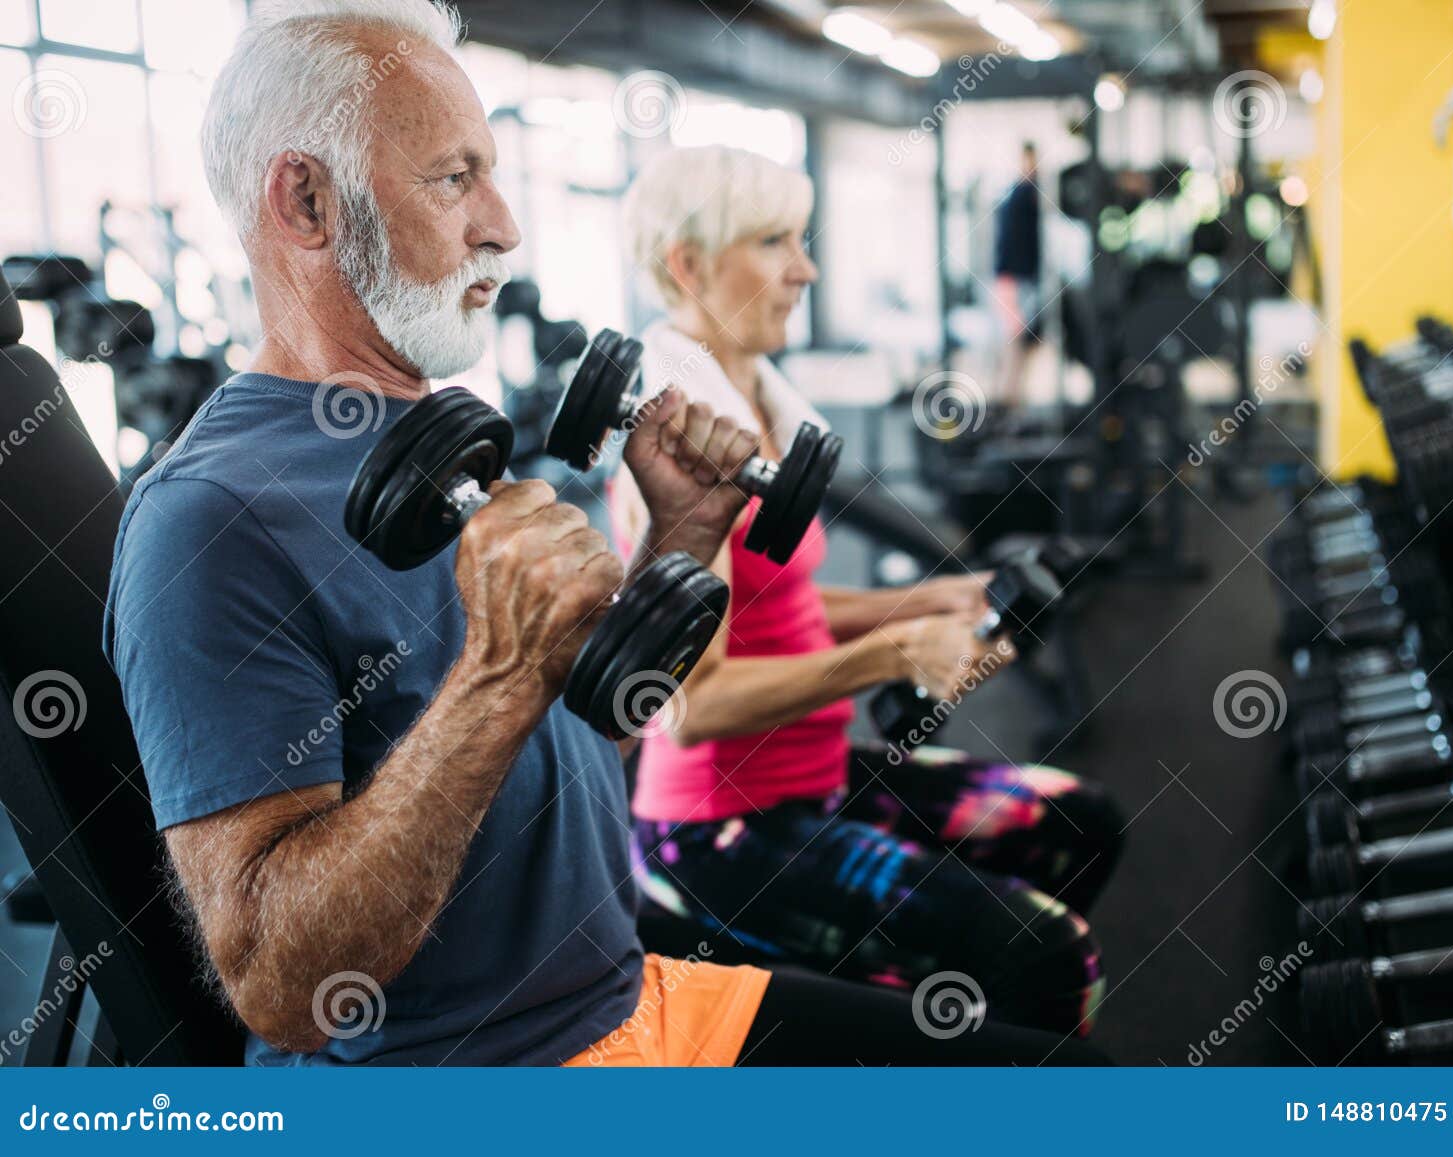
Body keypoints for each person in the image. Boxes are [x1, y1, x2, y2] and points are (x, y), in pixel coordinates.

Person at [105, 0, 1104, 1066]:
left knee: (1063, 1067)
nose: (502, 222)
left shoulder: (431, 440)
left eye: (489, 173)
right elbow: (281, 981)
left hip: (626, 995)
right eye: (453, 178)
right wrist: (497, 674)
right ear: (305, 198)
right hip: (493, 1073)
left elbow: (576, 749)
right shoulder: (207, 520)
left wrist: (679, 540)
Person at [612, 145, 1124, 1037]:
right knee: (1051, 957)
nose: (806, 269)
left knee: (1079, 822)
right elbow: (691, 703)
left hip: (813, 776)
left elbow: (789, 612)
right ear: (687, 266)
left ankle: (944, 1031)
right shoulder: (682, 445)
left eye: (802, 240)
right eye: (775, 242)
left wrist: (943, 601)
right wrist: (891, 654)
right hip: (720, 827)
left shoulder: (762, 406)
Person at [993, 141, 1045, 412]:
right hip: (1014, 278)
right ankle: (1007, 397)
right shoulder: (1020, 196)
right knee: (1016, 338)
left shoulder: (1027, 194)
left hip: (1024, 278)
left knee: (1027, 339)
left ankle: (1014, 395)